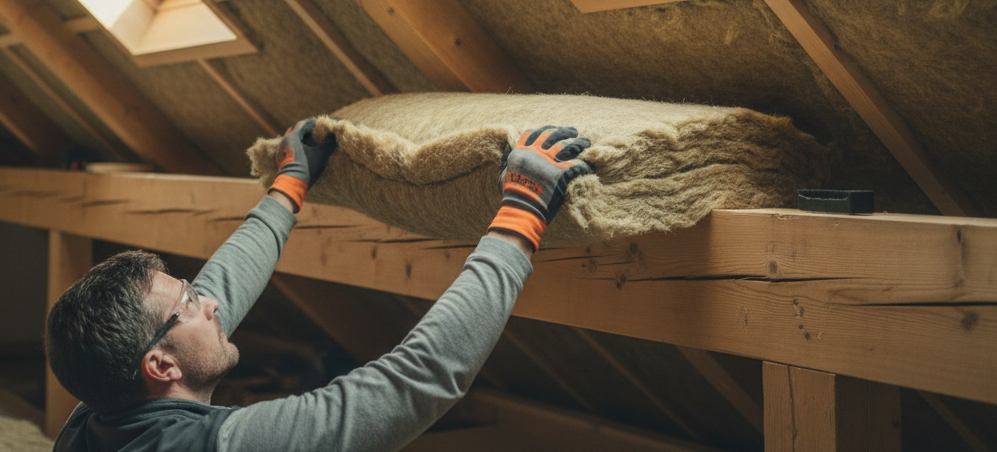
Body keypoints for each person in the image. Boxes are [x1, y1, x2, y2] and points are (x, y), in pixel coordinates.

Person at [46, 119, 594, 452]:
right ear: (161, 366)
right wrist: (522, 214)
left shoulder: (95, 414)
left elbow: (219, 288)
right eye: (189, 303)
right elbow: (415, 381)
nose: (209, 302)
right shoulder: (217, 446)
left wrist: (289, 184)